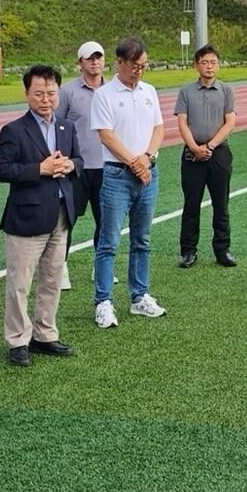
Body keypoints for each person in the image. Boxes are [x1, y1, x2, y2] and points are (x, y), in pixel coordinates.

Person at [0, 65, 83, 365]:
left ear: (59, 92)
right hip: (27, 219)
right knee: (20, 283)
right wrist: (39, 169)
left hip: (60, 214)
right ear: (26, 94)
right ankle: (17, 340)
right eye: (39, 94)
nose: (46, 100)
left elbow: (79, 159)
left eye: (51, 93)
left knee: (52, 278)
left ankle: (45, 334)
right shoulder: (14, 130)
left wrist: (71, 166)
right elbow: (2, 170)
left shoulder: (66, 127)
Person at [90, 37, 166, 327]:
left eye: (144, 66)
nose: (139, 71)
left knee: (142, 239)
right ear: (120, 63)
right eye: (135, 66)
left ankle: (139, 296)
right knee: (109, 241)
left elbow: (159, 127)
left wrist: (147, 158)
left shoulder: (149, 91)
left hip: (148, 172)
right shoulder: (105, 94)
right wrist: (134, 162)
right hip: (117, 176)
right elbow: (106, 135)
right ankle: (104, 301)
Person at [175, 44, 237, 268]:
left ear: (218, 65)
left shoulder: (226, 90)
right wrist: (194, 147)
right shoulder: (186, 91)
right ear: (196, 65)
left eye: (213, 62)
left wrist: (209, 146)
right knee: (191, 204)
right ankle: (188, 251)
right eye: (204, 62)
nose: (209, 66)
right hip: (192, 154)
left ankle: (222, 249)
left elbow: (230, 122)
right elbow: (182, 122)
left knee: (221, 204)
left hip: (218, 153)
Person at [54, 41, 107, 291]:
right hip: (76, 168)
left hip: (107, 167)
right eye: (90, 58)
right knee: (67, 220)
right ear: (80, 63)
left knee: (105, 221)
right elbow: (56, 125)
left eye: (98, 57)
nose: (95, 62)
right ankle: (60, 268)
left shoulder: (113, 91)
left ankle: (101, 267)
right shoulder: (67, 92)